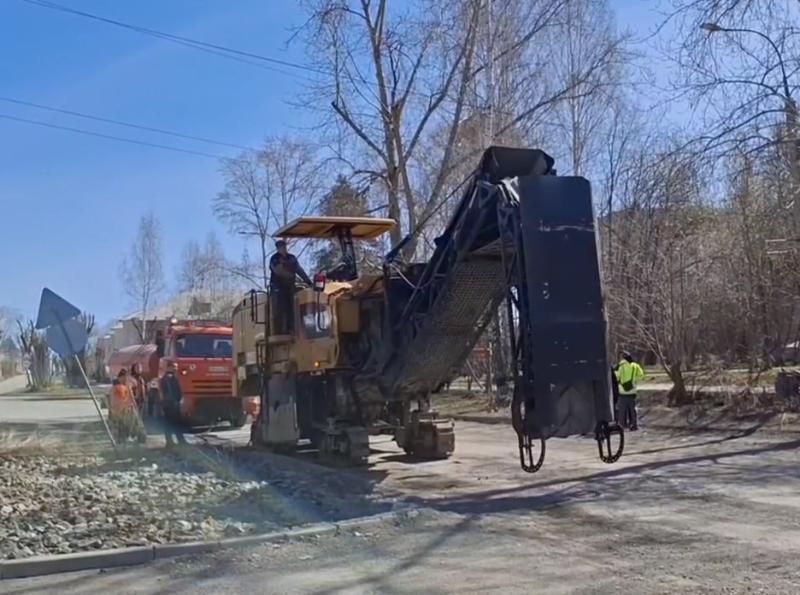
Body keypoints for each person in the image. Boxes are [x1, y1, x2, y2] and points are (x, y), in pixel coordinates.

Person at [269, 239, 312, 334]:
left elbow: (299, 269)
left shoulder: (291, 258)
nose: (282, 249)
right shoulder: (274, 259)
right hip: (277, 286)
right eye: (280, 247)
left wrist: (308, 281)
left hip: (289, 286)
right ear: (277, 248)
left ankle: (293, 328)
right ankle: (281, 330)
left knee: (293, 305)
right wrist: (293, 277)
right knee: (281, 306)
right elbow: (278, 270)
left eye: (284, 246)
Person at [109, 369, 146, 444]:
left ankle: (122, 440)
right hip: (122, 410)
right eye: (125, 377)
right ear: (121, 377)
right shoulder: (119, 387)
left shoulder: (118, 386)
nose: (126, 379)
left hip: (122, 410)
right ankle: (123, 440)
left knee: (123, 427)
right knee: (124, 426)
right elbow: (124, 399)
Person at [615, 351, 644, 431]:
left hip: (622, 392)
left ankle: (621, 426)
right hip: (632, 391)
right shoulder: (635, 366)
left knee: (622, 410)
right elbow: (641, 376)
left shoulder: (620, 366)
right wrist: (633, 381)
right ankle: (634, 425)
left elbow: (616, 377)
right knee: (633, 409)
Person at [159, 363, 187, 447]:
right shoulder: (168, 378)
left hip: (172, 404)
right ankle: (172, 441)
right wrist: (174, 402)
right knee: (171, 423)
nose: (176, 369)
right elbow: (169, 392)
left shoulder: (171, 377)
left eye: (177, 367)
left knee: (174, 423)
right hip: (170, 404)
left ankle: (177, 440)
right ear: (169, 367)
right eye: (175, 367)